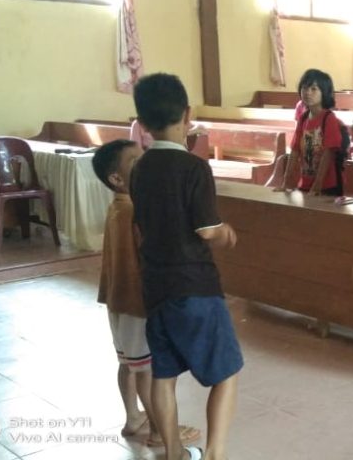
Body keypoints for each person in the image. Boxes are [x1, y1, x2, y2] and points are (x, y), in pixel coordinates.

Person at [129, 73, 243, 460]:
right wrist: (226, 232)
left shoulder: (139, 168)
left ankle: (174, 451)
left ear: (142, 123)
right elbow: (207, 229)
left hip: (155, 286)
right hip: (195, 285)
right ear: (188, 115)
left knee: (164, 375)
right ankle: (214, 454)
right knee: (226, 373)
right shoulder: (194, 168)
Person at [92, 139, 201, 450]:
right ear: (116, 178)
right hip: (138, 304)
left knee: (130, 363)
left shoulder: (119, 206)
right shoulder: (135, 211)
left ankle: (133, 418)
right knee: (148, 371)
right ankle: (158, 429)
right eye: (136, 162)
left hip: (118, 302)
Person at [278, 69, 345, 196]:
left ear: (324, 92)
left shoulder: (329, 118)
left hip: (326, 185)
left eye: (314, 89)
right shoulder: (303, 118)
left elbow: (328, 153)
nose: (308, 92)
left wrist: (317, 185)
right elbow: (295, 150)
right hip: (306, 182)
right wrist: (286, 182)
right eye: (304, 88)